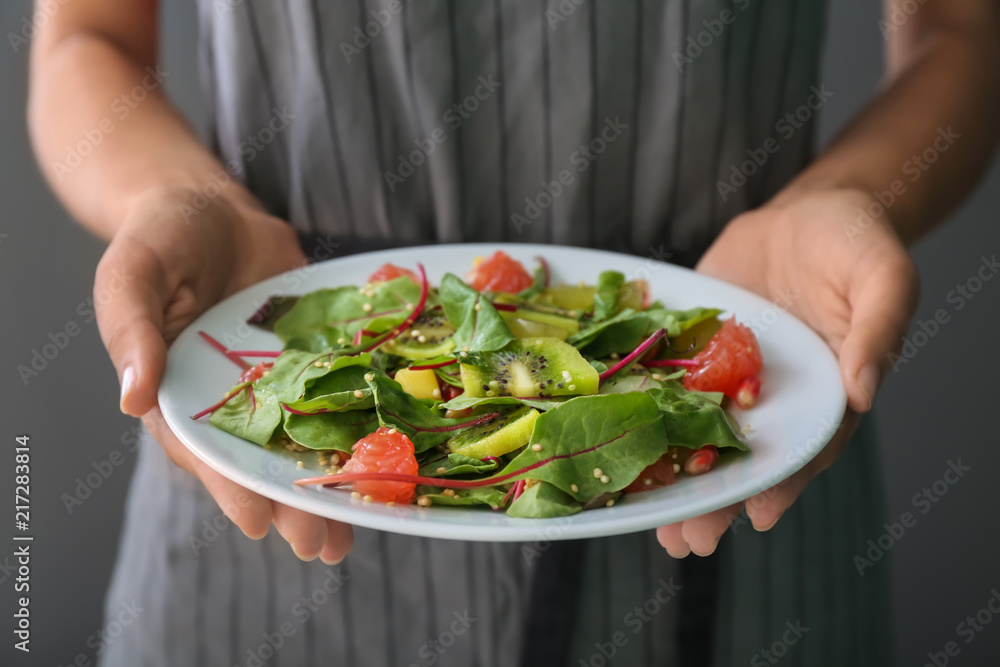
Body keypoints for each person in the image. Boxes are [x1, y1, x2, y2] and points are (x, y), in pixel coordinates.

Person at [28, 0, 999, 665]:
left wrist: (849, 195)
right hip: (271, 440)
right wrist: (175, 195)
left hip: (737, 452)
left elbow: (960, 31)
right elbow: (86, 37)